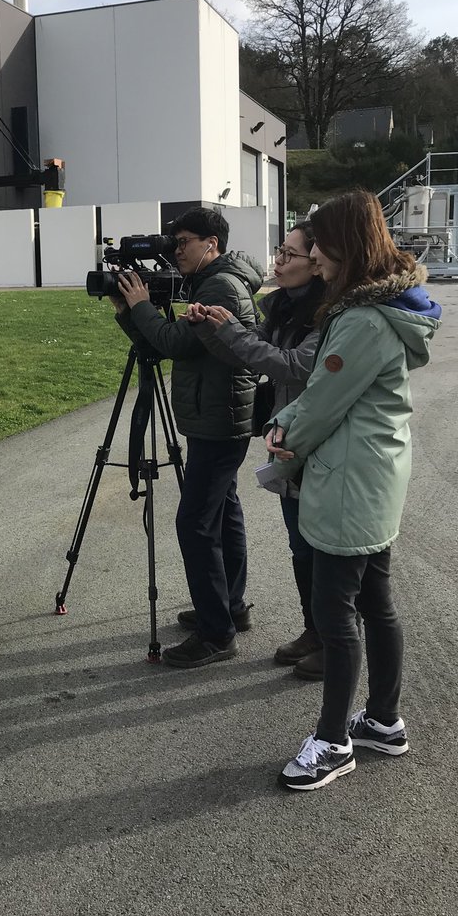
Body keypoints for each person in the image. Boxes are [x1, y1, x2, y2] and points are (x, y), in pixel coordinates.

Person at [264, 190, 441, 792]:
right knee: (375, 601)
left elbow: (321, 399)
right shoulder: (382, 310)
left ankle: (333, 740)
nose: (311, 256)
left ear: (344, 246)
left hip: (349, 481)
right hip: (372, 476)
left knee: (334, 610)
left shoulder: (363, 320)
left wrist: (282, 432)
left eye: (317, 244)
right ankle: (383, 721)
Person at [111, 206, 264, 668]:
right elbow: (163, 340)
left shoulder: (218, 285)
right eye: (174, 243)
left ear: (211, 245)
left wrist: (140, 306)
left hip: (218, 418)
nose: (176, 251)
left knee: (194, 522)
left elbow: (175, 344)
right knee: (223, 512)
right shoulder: (216, 279)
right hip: (217, 415)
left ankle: (217, 634)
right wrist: (129, 312)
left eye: (184, 243)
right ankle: (229, 608)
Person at [185, 222, 327, 679]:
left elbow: (289, 367)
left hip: (315, 438)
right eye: (279, 252)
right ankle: (315, 630)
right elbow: (251, 352)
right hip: (287, 439)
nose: (279, 262)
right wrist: (211, 328)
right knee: (300, 546)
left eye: (290, 255)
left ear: (318, 262)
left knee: (323, 548)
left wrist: (228, 328)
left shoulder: (328, 314)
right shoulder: (282, 306)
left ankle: (333, 639)